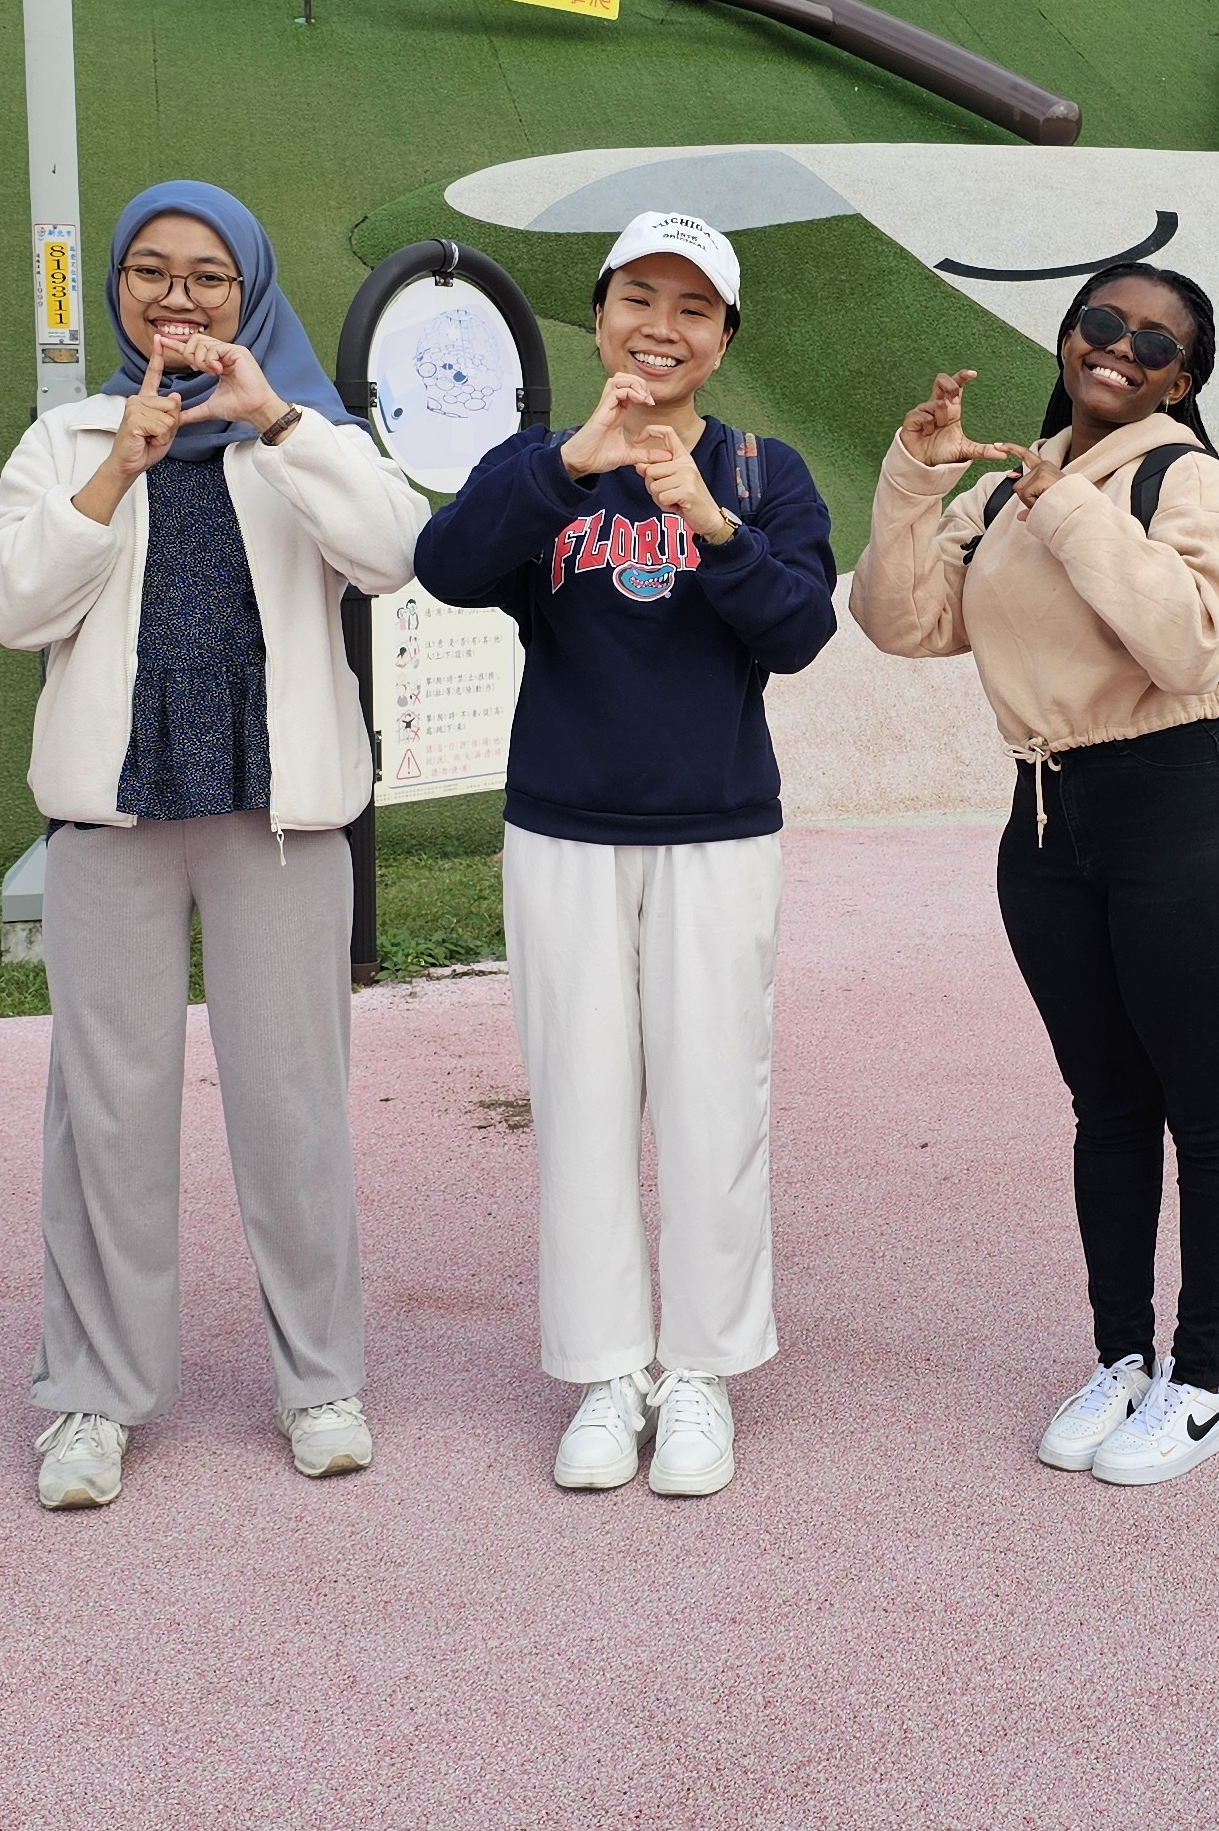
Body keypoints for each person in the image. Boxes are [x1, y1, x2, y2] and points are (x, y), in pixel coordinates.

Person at [0, 182, 428, 1512]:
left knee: (295, 1105)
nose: (179, 298)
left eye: (210, 277)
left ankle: (320, 1380)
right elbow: (11, 604)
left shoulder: (305, 433)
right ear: (116, 291)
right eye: (152, 273)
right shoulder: (66, 439)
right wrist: (121, 460)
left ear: (252, 294)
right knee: (106, 1111)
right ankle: (96, 1397)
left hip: (275, 817)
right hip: (114, 816)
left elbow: (398, 552)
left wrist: (275, 421)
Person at [411, 212, 837, 1499]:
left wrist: (712, 524)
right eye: (638, 298)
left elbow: (802, 631)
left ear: (723, 338)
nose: (662, 325)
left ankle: (700, 1371)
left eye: (693, 307)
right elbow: (444, 565)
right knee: (583, 1101)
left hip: (715, 828)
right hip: (563, 825)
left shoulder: (766, 472)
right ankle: (606, 1372)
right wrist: (566, 464)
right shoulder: (540, 464)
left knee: (717, 1100)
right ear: (596, 318)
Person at [852, 263, 1219, 1487]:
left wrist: (1063, 505)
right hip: (1047, 822)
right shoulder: (1014, 483)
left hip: (1188, 808)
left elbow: (1189, 639)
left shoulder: (1180, 476)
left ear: (1182, 378)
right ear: (1065, 334)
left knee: (1206, 1112)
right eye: (1101, 323)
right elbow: (901, 623)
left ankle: (1201, 1382)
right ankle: (1122, 1357)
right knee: (1107, 1110)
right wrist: (912, 470)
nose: (1119, 349)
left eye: (1154, 343)